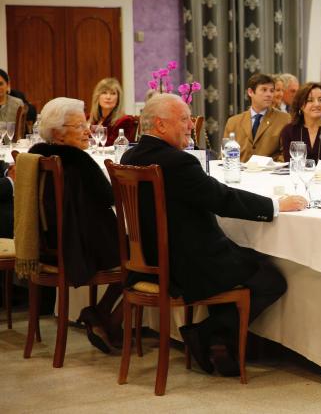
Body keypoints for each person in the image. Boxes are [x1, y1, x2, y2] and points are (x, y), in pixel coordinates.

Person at [122, 94, 306, 375]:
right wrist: (275, 205)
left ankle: (220, 343)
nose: (190, 126)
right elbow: (222, 199)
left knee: (243, 261)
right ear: (160, 125)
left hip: (148, 260)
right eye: (183, 119)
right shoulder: (177, 162)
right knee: (270, 278)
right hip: (186, 264)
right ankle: (206, 334)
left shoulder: (130, 155)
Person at [29, 97, 123, 353]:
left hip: (50, 241)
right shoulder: (77, 160)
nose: (88, 131)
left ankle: (105, 319)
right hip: (76, 245)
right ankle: (104, 316)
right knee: (143, 255)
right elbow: (108, 196)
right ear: (58, 134)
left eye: (86, 125)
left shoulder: (37, 153)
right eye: (79, 127)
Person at [223, 73, 290, 162]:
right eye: (264, 90)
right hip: (240, 172)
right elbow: (225, 154)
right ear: (250, 92)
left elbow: (286, 154)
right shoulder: (233, 122)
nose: (269, 94)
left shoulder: (284, 119)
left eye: (271, 90)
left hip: (270, 173)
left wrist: (272, 168)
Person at [280, 82, 321, 164]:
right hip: (298, 176)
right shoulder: (289, 130)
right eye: (310, 100)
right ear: (300, 105)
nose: (317, 104)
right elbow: (290, 164)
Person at [88, 78, 137, 146]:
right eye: (104, 93)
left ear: (118, 99)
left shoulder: (125, 121)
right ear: (97, 97)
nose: (108, 97)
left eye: (113, 93)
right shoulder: (89, 119)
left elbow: (113, 145)